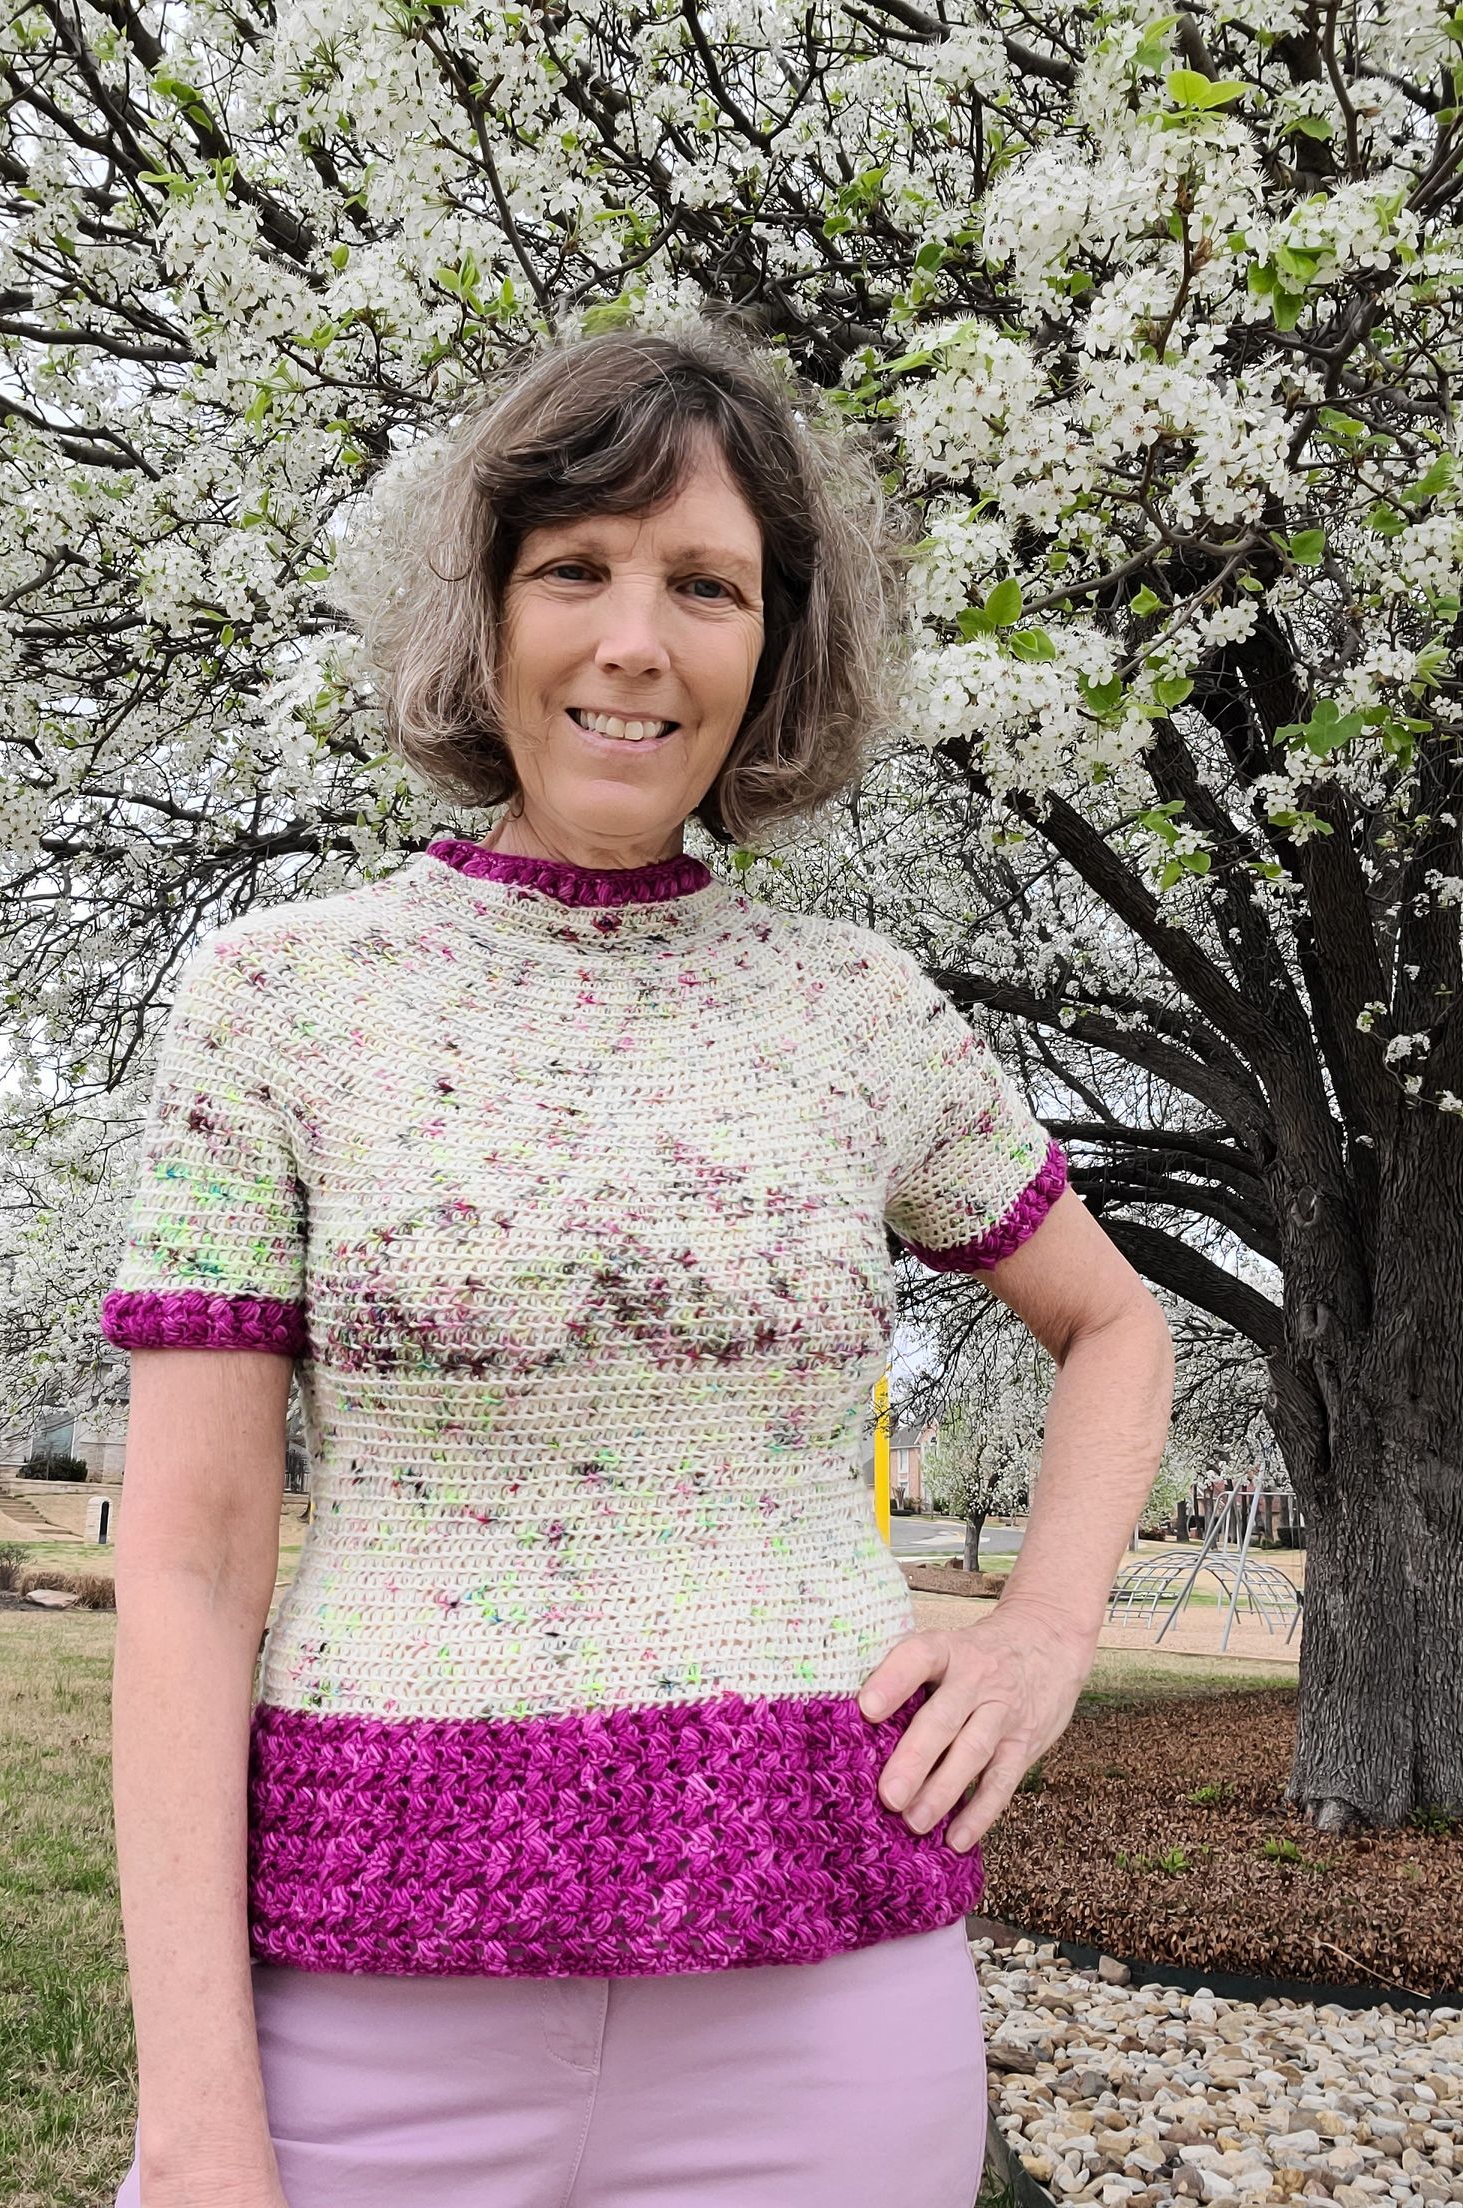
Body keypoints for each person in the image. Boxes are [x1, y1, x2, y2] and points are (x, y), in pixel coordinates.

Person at [102, 319, 1175, 2208]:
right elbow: (189, 1563)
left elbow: (1111, 1323)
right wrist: (195, 2114)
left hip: (827, 2016)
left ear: (773, 655)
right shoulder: (276, 1000)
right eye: (575, 569)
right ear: (488, 613)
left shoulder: (859, 1014)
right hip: (363, 2006)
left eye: (706, 585)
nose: (634, 641)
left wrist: (1046, 1636)